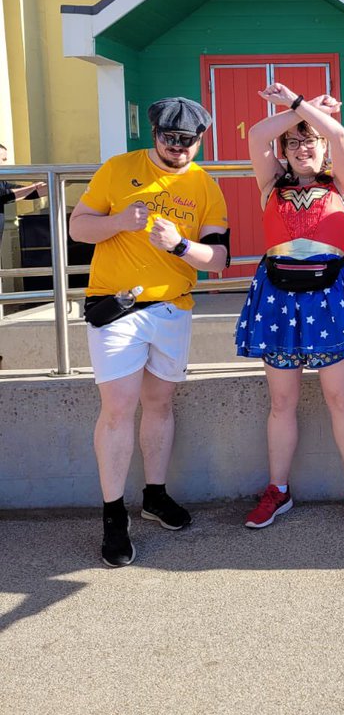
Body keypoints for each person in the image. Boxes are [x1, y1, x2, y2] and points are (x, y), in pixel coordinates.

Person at [69, 98, 229, 568]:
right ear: (154, 133)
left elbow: (218, 260)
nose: (177, 148)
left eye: (187, 141)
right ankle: (113, 515)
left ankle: (154, 496)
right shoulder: (119, 169)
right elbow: (78, 227)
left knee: (160, 404)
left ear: (200, 139)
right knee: (118, 410)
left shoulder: (205, 185)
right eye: (168, 138)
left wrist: (179, 245)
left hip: (172, 309)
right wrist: (119, 222)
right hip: (116, 308)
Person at [235, 83, 344, 531]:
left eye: (309, 140)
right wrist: (303, 112)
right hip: (277, 300)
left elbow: (337, 137)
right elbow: (258, 135)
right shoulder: (270, 186)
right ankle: (278, 490)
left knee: (340, 398)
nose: (302, 148)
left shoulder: (342, 184)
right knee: (281, 401)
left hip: (330, 297)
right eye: (294, 143)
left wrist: (303, 107)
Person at [0, 143, 48, 248]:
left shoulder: (1, 181)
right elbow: (6, 196)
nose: (5, 163)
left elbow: (25, 193)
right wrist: (33, 186)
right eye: (3, 159)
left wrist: (52, 185)